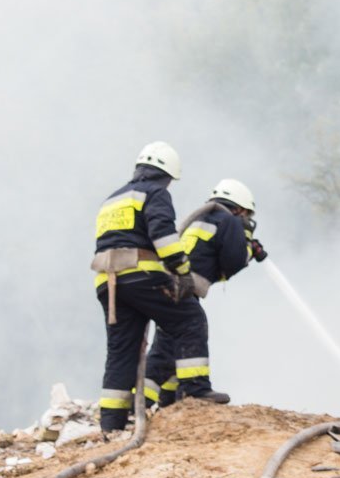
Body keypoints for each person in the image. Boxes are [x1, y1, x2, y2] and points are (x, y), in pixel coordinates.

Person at [91, 142, 227, 434]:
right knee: (189, 319)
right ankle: (195, 390)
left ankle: (111, 426)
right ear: (166, 175)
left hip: (108, 282)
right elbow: (163, 235)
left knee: (121, 351)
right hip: (141, 275)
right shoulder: (155, 193)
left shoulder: (112, 199)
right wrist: (182, 273)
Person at [145, 178, 268, 408]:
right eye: (247, 216)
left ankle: (154, 400)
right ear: (240, 208)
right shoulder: (229, 220)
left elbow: (208, 260)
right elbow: (232, 262)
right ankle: (194, 391)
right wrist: (248, 246)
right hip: (181, 288)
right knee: (194, 326)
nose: (246, 220)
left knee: (167, 346)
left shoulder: (203, 218)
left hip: (166, 285)